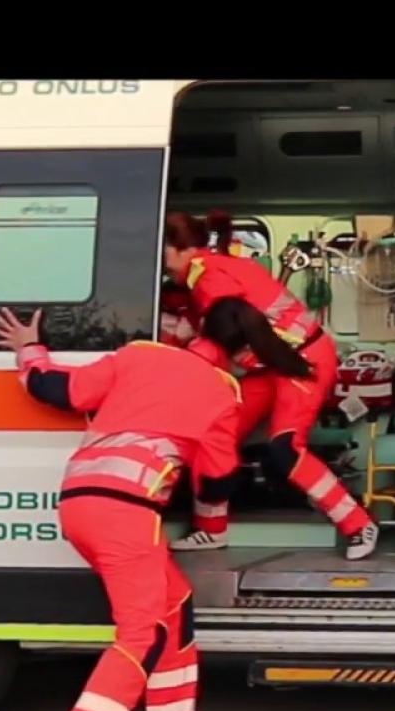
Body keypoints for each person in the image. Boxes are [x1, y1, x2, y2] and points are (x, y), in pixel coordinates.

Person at [0, 304, 286, 711]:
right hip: (126, 512)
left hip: (79, 501)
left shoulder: (140, 355)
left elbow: (59, 389)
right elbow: (214, 483)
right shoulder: (222, 391)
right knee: (140, 634)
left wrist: (30, 350)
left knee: (173, 601)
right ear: (245, 355)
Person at [160, 210, 380, 562]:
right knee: (212, 433)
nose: (162, 263)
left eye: (164, 250)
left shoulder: (211, 280)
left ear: (181, 248)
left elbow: (226, 334)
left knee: (286, 449)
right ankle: (211, 528)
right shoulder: (208, 273)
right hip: (272, 364)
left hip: (302, 360)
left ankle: (359, 524)